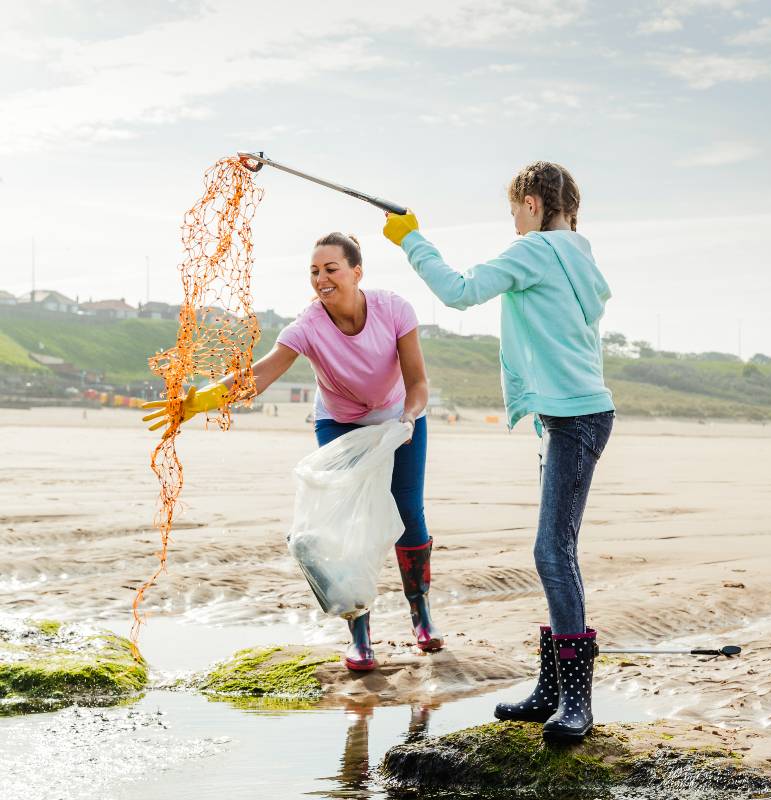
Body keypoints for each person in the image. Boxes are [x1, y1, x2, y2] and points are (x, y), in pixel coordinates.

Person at [383, 162, 614, 742]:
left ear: (533, 204)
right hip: (571, 415)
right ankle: (555, 691)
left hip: (575, 418)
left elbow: (459, 292)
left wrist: (410, 237)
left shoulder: (535, 252)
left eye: (514, 210)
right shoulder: (578, 255)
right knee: (556, 549)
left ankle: (576, 703)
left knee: (552, 551)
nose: (512, 223)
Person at [142, 232, 444, 671]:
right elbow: (259, 375)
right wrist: (200, 401)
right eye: (314, 271)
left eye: (331, 269)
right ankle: (360, 636)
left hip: (400, 417)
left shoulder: (394, 309)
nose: (321, 279)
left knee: (408, 513)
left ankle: (422, 617)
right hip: (338, 422)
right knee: (343, 524)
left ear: (357, 272)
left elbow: (417, 381)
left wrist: (409, 417)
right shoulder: (307, 326)